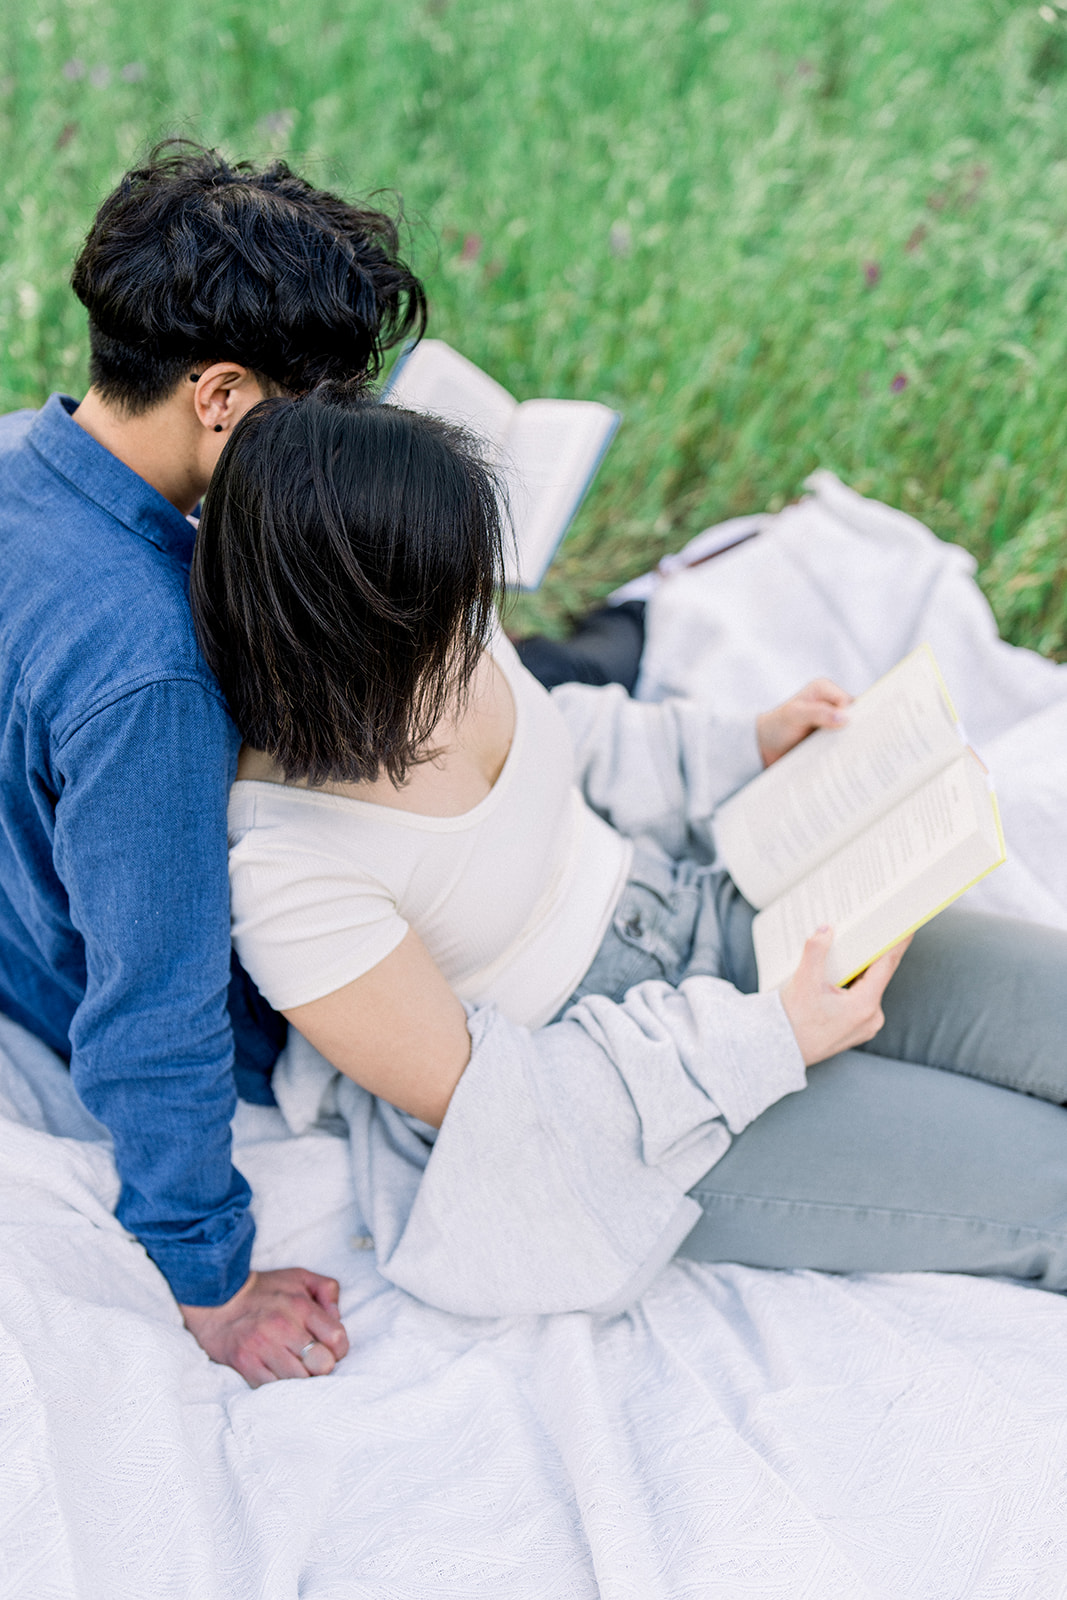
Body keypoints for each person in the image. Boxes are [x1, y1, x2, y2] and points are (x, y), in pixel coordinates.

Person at [190, 385, 1067, 1306]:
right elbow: (496, 1106)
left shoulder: (439, 620)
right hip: (642, 1110)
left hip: (701, 905)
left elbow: (561, 733)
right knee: (1046, 1184)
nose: (476, 623)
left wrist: (745, 744)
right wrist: (767, 1037)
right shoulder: (288, 868)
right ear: (344, 638)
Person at [0, 142, 427, 1386]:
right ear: (223, 398)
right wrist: (213, 1277)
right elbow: (154, 998)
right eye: (320, 413)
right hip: (163, 1007)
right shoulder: (151, 670)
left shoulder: (21, 457)